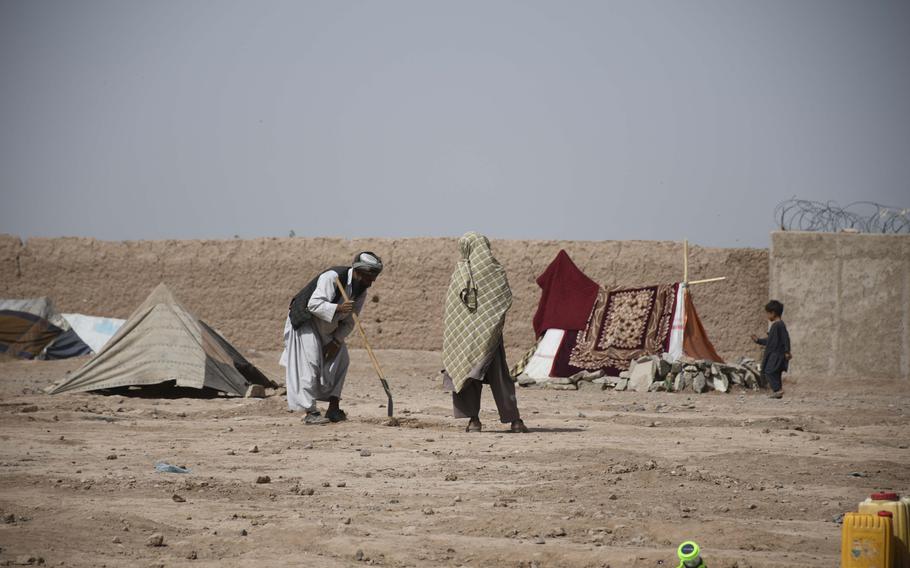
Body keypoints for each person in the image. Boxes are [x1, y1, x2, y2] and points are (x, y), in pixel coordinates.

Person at [280, 252, 383, 424]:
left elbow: (350, 321)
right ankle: (310, 412)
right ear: (358, 272)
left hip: (328, 329)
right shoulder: (333, 277)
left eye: (374, 278)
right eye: (368, 277)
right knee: (310, 362)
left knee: (342, 359)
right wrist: (338, 309)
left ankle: (333, 408)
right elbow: (313, 304)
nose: (371, 282)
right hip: (307, 322)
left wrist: (336, 341)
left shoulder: (361, 291)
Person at [442, 232, 528, 433]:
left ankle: (474, 421)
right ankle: (515, 421)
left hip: (464, 338)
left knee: (468, 375)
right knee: (500, 377)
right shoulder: (495, 271)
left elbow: (453, 312)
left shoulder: (459, 273)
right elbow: (504, 299)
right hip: (489, 336)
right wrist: (488, 323)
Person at [751, 300, 791, 399]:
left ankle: (778, 390)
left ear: (772, 313)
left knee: (769, 371)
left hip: (777, 354)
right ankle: (777, 391)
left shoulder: (779, 325)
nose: (767, 316)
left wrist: (787, 351)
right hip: (774, 354)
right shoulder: (776, 326)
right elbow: (770, 341)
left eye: (767, 313)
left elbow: (785, 338)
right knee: (775, 372)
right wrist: (758, 340)